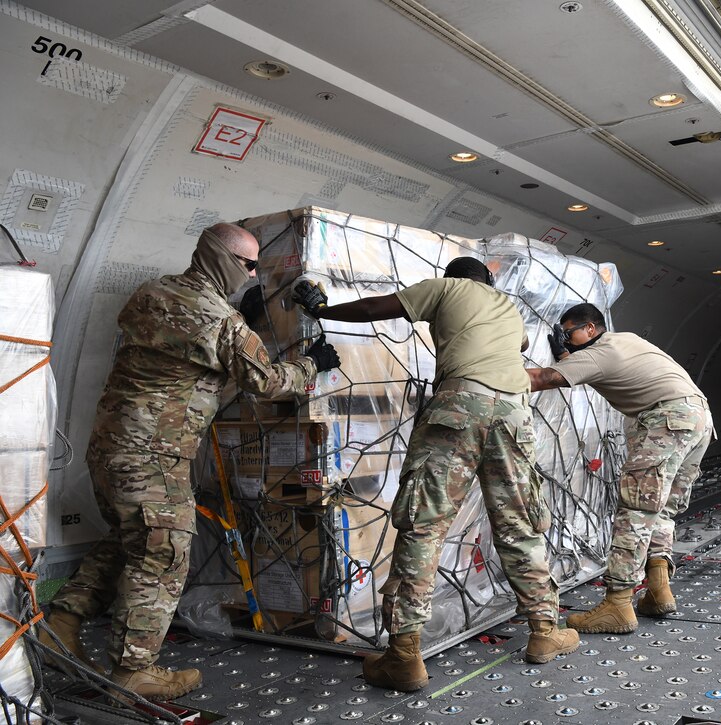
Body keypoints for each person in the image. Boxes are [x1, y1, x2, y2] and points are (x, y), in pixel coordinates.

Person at [39, 223, 341, 700]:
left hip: (109, 445)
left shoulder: (151, 292)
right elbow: (264, 381)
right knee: (164, 553)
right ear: (222, 258)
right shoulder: (220, 320)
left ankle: (61, 621)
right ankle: (133, 669)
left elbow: (182, 350)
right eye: (246, 265)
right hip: (153, 454)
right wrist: (312, 365)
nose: (251, 275)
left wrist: (238, 319)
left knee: (128, 540)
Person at [292, 256, 578, 692]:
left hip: (459, 407)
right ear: (490, 280)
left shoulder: (445, 289)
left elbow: (374, 310)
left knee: (424, 526)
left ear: (452, 279)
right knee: (520, 525)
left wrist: (323, 310)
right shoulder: (509, 306)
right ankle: (544, 632)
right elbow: (518, 346)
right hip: (515, 416)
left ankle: (404, 656)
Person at [525, 303, 713, 634]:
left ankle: (618, 604)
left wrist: (480, 372)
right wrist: (569, 356)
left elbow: (541, 378)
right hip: (698, 418)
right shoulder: (625, 341)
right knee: (661, 510)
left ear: (590, 330)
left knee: (636, 512)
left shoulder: (600, 352)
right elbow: (588, 369)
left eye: (570, 334)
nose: (566, 341)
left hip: (667, 420)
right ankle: (658, 589)